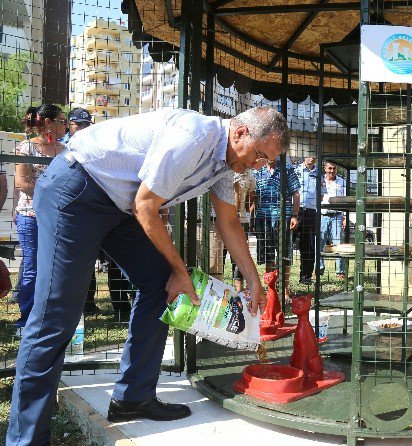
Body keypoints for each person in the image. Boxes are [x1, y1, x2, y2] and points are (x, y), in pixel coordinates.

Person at [6, 106, 288, 445]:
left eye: (266, 161)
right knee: (56, 316)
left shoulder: (229, 164)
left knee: (161, 286)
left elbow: (227, 223)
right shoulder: (195, 136)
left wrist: (254, 282)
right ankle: (26, 439)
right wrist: (181, 270)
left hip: (119, 202)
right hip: (77, 189)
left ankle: (133, 397)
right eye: (259, 155)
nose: (258, 166)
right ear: (240, 132)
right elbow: (146, 205)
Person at [13, 105, 67, 337]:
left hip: (58, 217)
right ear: (48, 123)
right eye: (62, 121)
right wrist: (53, 194)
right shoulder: (26, 147)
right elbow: (22, 183)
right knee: (33, 268)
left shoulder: (64, 150)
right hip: (31, 217)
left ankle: (50, 317)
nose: (65, 125)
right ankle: (26, 319)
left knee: (55, 267)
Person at [62, 107, 103, 315]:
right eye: (79, 124)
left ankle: (88, 303)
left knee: (88, 258)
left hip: (89, 209)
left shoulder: (95, 145)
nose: (83, 128)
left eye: (87, 124)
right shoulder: (60, 147)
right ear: (69, 124)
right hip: (65, 210)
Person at [253, 157, 300, 296]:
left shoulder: (287, 170)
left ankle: (285, 289)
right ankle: (271, 289)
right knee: (268, 256)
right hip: (263, 218)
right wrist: (254, 216)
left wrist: (295, 215)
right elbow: (255, 196)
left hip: (283, 218)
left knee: (284, 255)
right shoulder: (258, 170)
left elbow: (295, 193)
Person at [221, 169, 256, 291]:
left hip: (241, 221)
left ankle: (239, 291)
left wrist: (247, 211)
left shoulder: (250, 176)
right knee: (220, 254)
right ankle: (218, 288)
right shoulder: (225, 171)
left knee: (238, 256)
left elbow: (251, 199)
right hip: (222, 219)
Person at [319, 161, 347, 278]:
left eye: (334, 168)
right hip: (322, 216)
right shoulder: (320, 180)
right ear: (325, 169)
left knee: (338, 244)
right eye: (329, 168)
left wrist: (345, 217)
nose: (332, 171)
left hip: (337, 216)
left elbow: (346, 200)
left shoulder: (342, 182)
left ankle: (340, 271)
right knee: (319, 243)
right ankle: (319, 270)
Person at [295, 156, 319, 285]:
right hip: (295, 211)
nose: (313, 158)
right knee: (288, 243)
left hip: (310, 211)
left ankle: (306, 275)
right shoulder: (295, 170)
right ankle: (282, 275)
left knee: (308, 244)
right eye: (310, 155)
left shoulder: (319, 174)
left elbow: (320, 195)